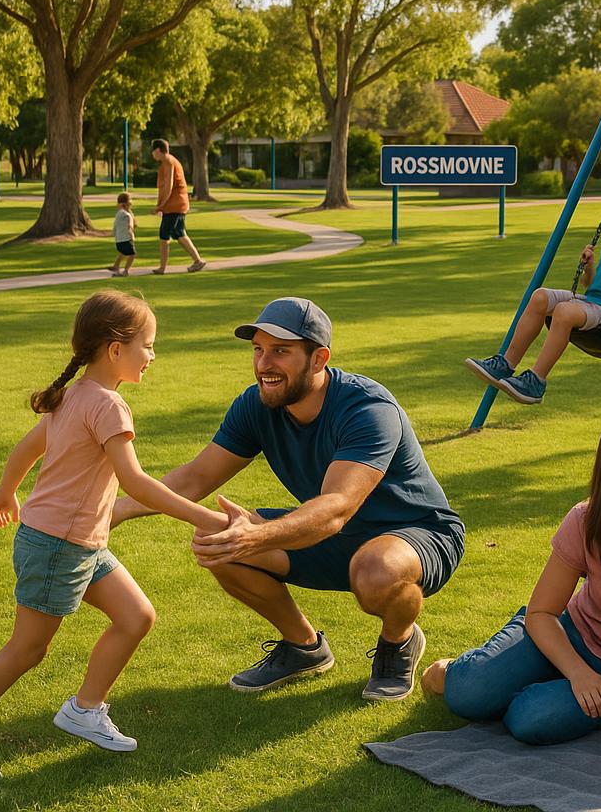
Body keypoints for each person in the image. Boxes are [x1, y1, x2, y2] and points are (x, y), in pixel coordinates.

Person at [111, 297, 465, 702]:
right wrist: (116, 510)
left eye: (281, 351)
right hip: (334, 535)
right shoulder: (256, 404)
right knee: (219, 542)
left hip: (416, 533)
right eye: (258, 350)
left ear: (318, 359)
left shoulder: (366, 408)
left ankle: (399, 642)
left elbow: (336, 508)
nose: (264, 364)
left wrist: (258, 536)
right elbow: (195, 477)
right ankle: (304, 647)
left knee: (376, 570)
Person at [0, 292, 226, 783]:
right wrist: (207, 519)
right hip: (59, 545)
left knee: (135, 615)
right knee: (26, 650)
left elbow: (26, 448)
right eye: (147, 344)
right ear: (114, 348)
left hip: (77, 542)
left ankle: (84, 709)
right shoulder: (107, 406)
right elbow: (137, 483)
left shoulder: (73, 395)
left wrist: (5, 493)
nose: (152, 355)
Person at [421, 402, 601, 745]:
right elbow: (542, 612)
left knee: (531, 720)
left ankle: (520, 684)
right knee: (468, 693)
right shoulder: (586, 520)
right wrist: (577, 672)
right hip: (570, 634)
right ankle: (465, 670)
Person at [466, 184, 601, 405]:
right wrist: (589, 266)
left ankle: (536, 381)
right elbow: (590, 285)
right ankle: (505, 363)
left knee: (563, 310)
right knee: (540, 296)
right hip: (593, 302)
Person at [149, 138, 205, 274]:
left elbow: (168, 186)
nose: (152, 154)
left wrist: (160, 206)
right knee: (179, 233)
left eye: (152, 151)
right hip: (177, 204)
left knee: (164, 235)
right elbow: (164, 188)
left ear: (157, 150)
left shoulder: (168, 162)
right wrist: (160, 204)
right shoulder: (167, 162)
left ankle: (162, 268)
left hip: (174, 205)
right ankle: (198, 261)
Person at [110, 192, 136, 277]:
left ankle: (116, 266)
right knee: (132, 254)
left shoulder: (119, 213)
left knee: (122, 252)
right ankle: (126, 270)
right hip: (126, 239)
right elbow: (130, 223)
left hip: (119, 240)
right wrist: (130, 229)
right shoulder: (125, 214)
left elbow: (115, 225)